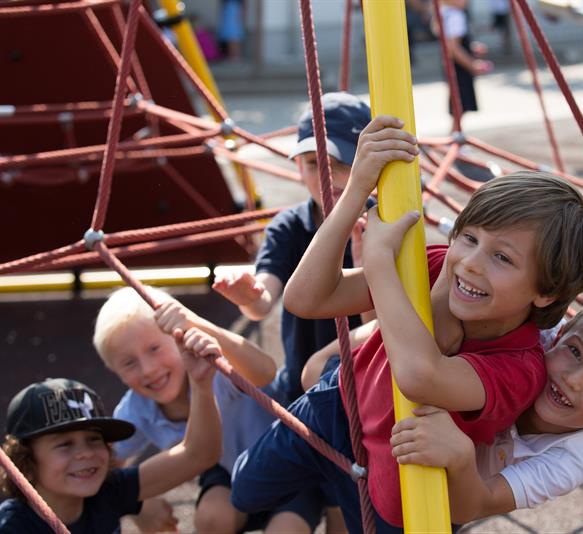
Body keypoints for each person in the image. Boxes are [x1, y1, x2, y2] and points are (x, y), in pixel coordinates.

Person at [229, 115, 583, 533]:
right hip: (338, 407)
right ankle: (320, 491)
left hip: (397, 483)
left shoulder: (521, 366)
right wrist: (354, 192)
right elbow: (305, 298)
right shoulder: (439, 262)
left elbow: (420, 377)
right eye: (470, 238)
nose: (472, 264)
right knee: (243, 491)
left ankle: (330, 495)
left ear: (546, 292)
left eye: (503, 258)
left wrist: (381, 261)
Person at [390, 293, 583, 523]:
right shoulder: (534, 335)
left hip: (452, 490)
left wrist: (462, 458)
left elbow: (476, 505)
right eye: (575, 351)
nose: (574, 379)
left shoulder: (573, 458)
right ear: (560, 334)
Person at [92, 286, 315, 533]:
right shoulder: (138, 408)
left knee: (286, 530)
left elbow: (265, 372)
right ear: (115, 372)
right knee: (212, 518)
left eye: (154, 349)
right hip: (231, 475)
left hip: (289, 466)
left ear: (179, 336)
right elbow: (106, 461)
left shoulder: (213, 366)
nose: (147, 369)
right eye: (129, 363)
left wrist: (199, 325)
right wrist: (138, 504)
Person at [212, 91, 373, 408]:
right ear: (299, 168)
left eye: (342, 164)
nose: (329, 177)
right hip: (301, 392)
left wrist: (363, 260)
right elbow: (264, 299)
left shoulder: (382, 224)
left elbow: (381, 325)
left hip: (365, 388)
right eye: (315, 164)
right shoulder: (289, 226)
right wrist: (251, 297)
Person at [0, 352, 221, 532]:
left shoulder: (108, 491)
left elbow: (199, 454)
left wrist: (200, 384)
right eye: (65, 444)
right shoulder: (13, 526)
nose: (86, 452)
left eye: (95, 439)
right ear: (24, 459)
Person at [436, 0, 493, 115]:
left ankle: (456, 130)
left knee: (459, 103)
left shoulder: (444, 13)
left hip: (450, 63)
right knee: (461, 103)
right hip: (459, 66)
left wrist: (470, 47)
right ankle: (455, 131)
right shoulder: (455, 15)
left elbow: (452, 43)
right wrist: (472, 64)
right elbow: (453, 47)